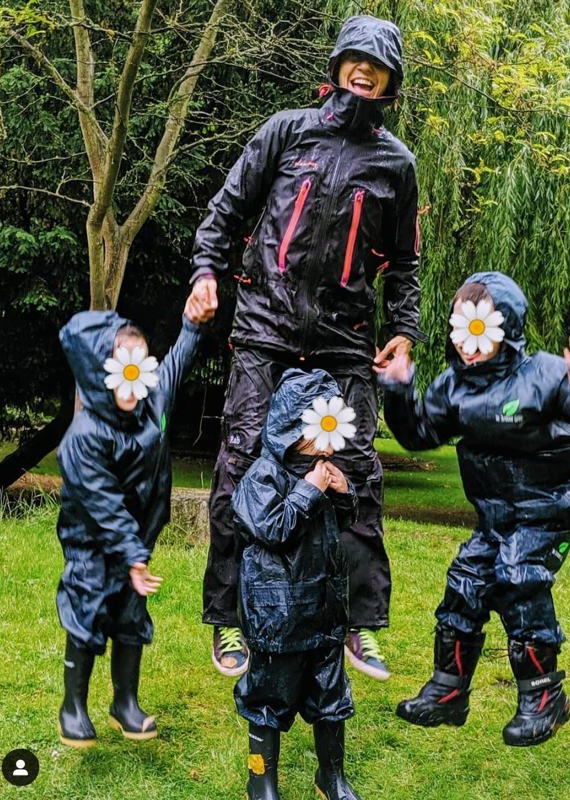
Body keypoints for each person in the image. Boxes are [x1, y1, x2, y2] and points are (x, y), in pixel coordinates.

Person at [190, 14, 425, 681]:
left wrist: (403, 331)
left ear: (389, 82)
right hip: (264, 331)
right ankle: (228, 617)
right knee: (240, 466)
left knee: (356, 474)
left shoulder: (397, 164)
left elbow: (404, 265)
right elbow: (225, 212)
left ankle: (359, 623)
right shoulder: (286, 131)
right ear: (338, 65)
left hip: (344, 345)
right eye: (356, 59)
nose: (364, 71)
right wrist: (205, 273)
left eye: (377, 66)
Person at [376, 271, 570, 747]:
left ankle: (544, 696)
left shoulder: (544, 374)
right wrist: (399, 389)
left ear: (505, 327)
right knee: (466, 581)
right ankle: (448, 690)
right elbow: (419, 434)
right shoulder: (453, 387)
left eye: (481, 330)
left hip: (552, 505)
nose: (469, 344)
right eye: (462, 330)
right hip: (498, 513)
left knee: (518, 575)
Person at [55, 293, 213, 747]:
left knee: (131, 612)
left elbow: (177, 363)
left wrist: (192, 324)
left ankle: (124, 702)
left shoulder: (153, 401)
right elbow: (102, 504)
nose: (131, 382)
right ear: (98, 372)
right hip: (92, 540)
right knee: (87, 608)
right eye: (120, 369)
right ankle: (73, 705)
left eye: (138, 368)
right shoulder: (84, 436)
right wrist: (132, 555)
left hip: (136, 541)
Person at [232, 368, 362, 800]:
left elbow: (343, 523)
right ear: (293, 427)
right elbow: (272, 529)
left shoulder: (321, 472)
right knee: (268, 698)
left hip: (323, 615)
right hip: (278, 619)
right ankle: (261, 781)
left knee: (330, 696)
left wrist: (342, 493)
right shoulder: (262, 476)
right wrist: (309, 490)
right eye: (318, 429)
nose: (327, 442)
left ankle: (331, 776)